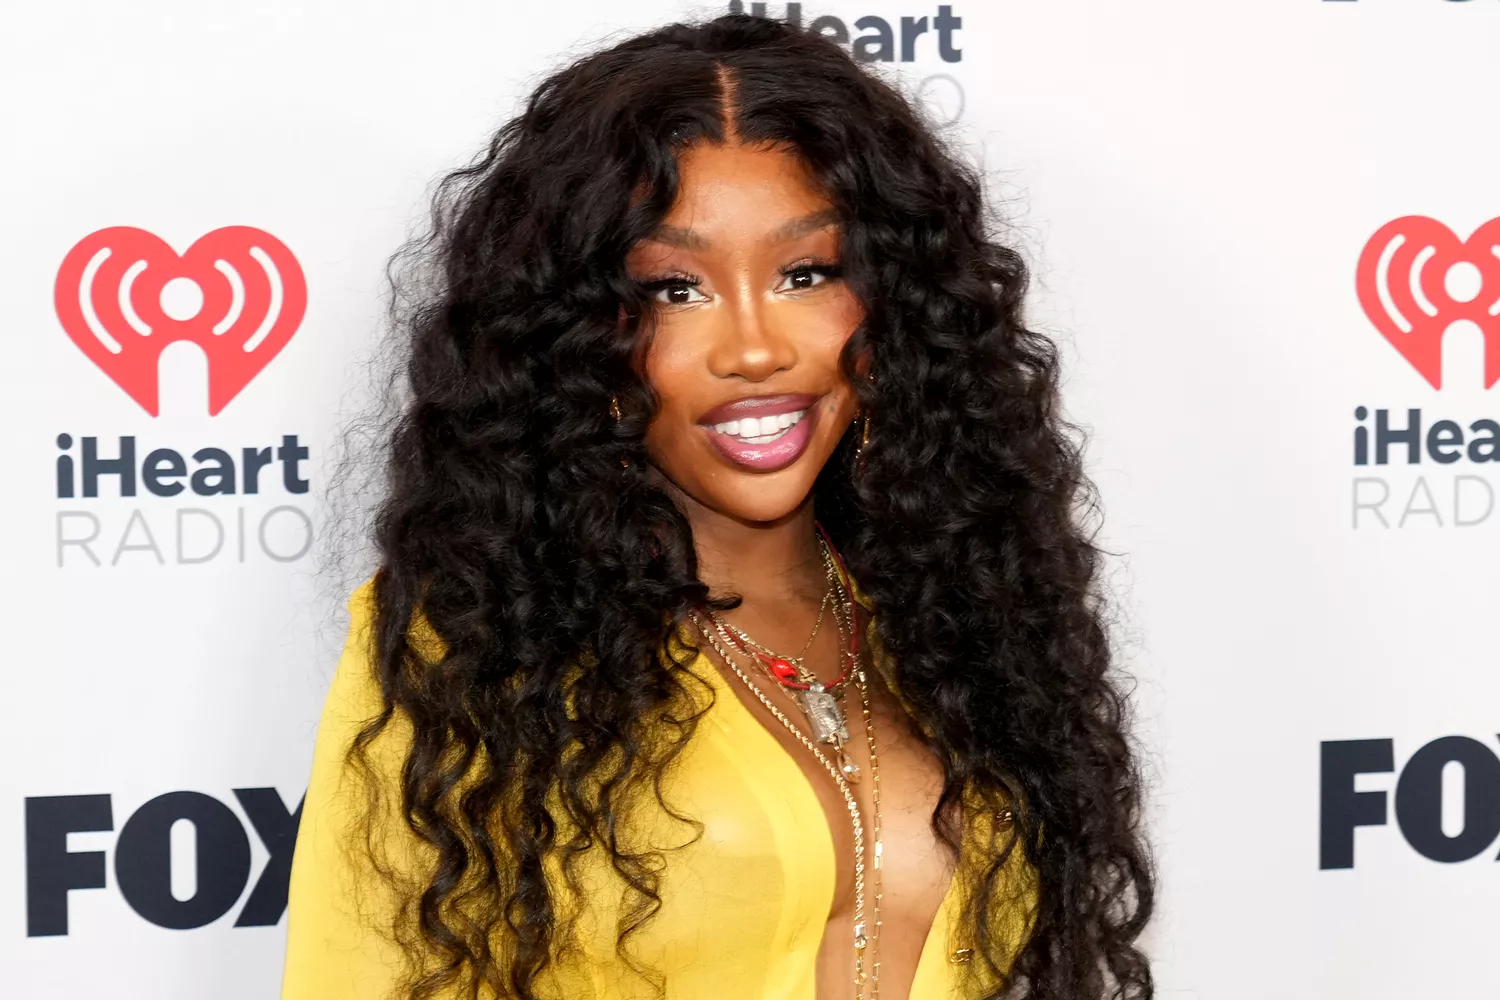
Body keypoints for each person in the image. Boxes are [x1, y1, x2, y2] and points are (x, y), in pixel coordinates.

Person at [280, 13, 1153, 1000]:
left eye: (806, 273)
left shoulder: (961, 621)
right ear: (575, 335)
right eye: (676, 288)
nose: (752, 346)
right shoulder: (475, 647)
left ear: (894, 305)